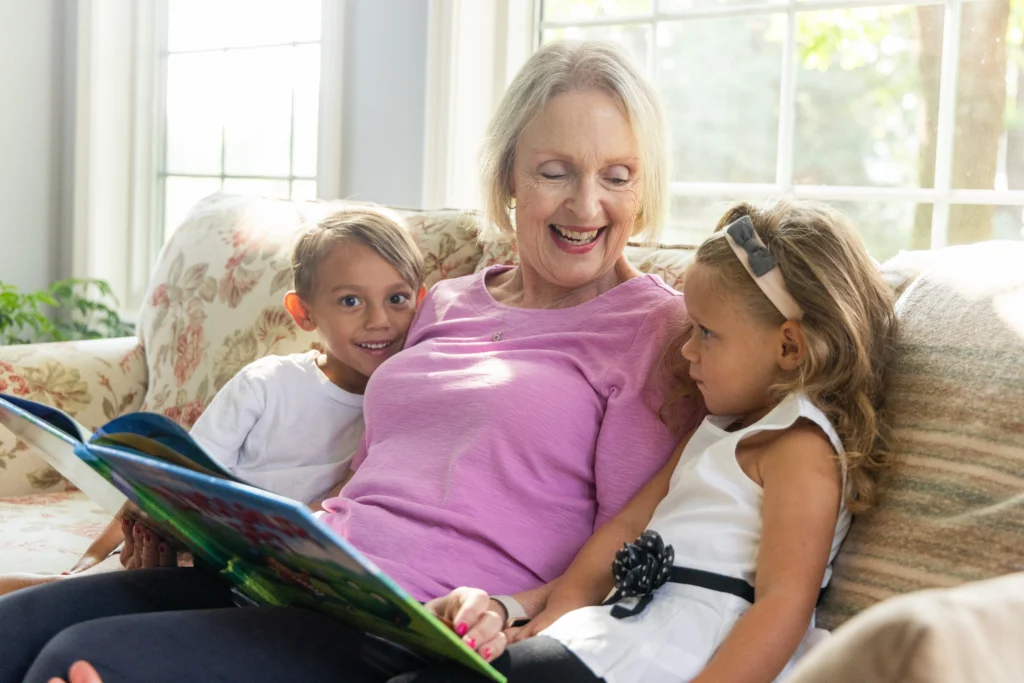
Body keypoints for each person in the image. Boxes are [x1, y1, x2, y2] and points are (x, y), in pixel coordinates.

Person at [0, 40, 702, 683]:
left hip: (408, 624)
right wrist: (194, 518)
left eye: (618, 175)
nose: (587, 204)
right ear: (510, 174)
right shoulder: (447, 301)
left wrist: (514, 611)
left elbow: (625, 544)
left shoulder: (657, 329)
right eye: (556, 171)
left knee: (75, 660)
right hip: (307, 573)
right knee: (15, 632)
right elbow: (371, 464)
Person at [393, 199, 900, 682]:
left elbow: (784, 606)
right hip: (617, 631)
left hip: (679, 651)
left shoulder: (799, 446)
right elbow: (629, 525)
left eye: (706, 332)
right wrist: (559, 610)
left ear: (788, 346)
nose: (686, 351)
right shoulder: (715, 432)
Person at [0, 207, 424, 594]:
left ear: (422, 304)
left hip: (290, 570)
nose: (379, 320)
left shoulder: (416, 406)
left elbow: (339, 508)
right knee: (64, 591)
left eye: (397, 299)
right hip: (204, 549)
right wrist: (91, 558)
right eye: (351, 300)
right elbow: (171, 482)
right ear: (303, 312)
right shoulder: (267, 384)